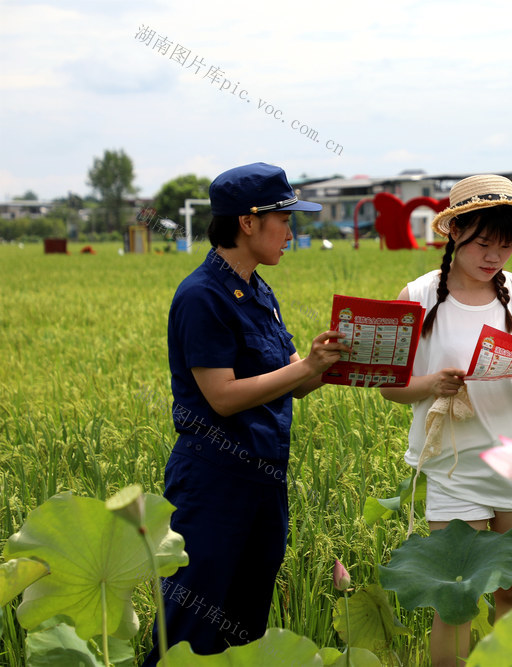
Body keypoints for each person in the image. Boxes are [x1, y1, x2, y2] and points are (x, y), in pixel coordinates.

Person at [143, 163, 351, 664]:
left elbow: (294, 383)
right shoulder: (202, 296)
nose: (291, 233)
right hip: (213, 483)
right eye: (285, 220)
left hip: (264, 479)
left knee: (246, 629)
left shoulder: (258, 290)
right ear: (248, 222)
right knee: (189, 632)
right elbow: (223, 396)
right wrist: (306, 366)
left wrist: (335, 363)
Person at [380, 175, 512, 667]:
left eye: (505, 245)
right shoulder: (417, 295)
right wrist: (431, 384)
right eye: (483, 243)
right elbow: (390, 386)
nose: (494, 256)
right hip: (453, 465)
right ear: (454, 232)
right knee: (456, 596)